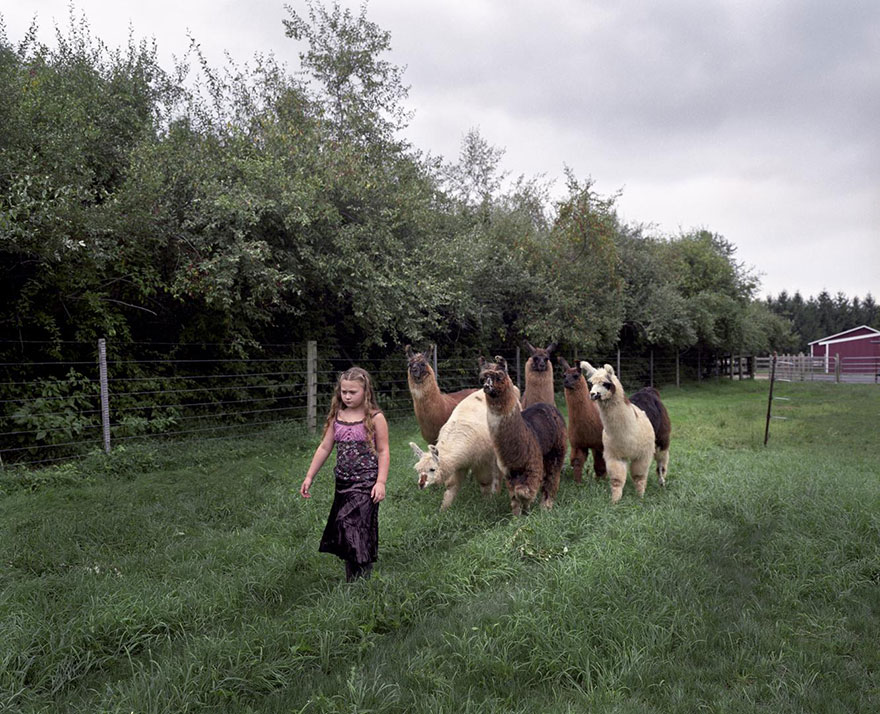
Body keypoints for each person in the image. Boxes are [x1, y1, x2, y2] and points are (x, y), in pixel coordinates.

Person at [300, 366, 389, 581]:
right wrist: (309, 476)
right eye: (344, 391)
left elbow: (383, 451)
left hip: (366, 482)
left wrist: (381, 482)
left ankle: (364, 578)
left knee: (356, 525)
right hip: (342, 482)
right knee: (345, 527)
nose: (347, 396)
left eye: (352, 392)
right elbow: (324, 448)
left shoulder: (375, 418)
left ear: (365, 391)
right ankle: (353, 578)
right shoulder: (337, 416)